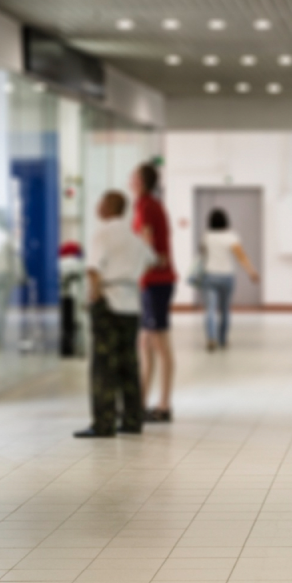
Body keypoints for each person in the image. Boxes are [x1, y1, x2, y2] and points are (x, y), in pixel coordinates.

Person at [75, 190, 156, 438]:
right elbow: (152, 259)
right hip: (131, 304)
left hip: (108, 301)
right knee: (129, 363)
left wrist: (94, 295)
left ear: (109, 206)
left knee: (103, 366)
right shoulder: (134, 237)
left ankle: (104, 423)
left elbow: (93, 268)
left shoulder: (102, 233)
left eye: (100, 201)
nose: (97, 206)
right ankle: (133, 420)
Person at [131, 162, 176, 422]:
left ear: (142, 182)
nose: (130, 181)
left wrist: (139, 267)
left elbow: (146, 245)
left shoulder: (147, 205)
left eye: (133, 178)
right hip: (151, 281)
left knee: (159, 342)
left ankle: (163, 405)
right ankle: (142, 402)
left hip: (156, 281)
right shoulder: (146, 204)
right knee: (146, 342)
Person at [199, 208, 258, 351]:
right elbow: (241, 256)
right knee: (225, 310)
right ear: (226, 220)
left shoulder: (206, 236)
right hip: (226, 277)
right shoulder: (231, 236)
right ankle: (223, 340)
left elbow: (202, 253)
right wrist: (251, 271)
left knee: (210, 310)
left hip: (209, 276)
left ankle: (211, 338)